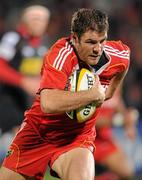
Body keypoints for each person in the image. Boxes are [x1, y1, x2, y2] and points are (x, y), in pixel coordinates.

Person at [0, 8, 130, 180]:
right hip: (37, 134)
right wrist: (92, 95)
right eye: (91, 42)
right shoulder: (59, 54)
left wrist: (107, 93)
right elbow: (48, 103)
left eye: (102, 41)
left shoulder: (118, 54)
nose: (98, 49)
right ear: (75, 39)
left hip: (75, 138)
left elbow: (123, 64)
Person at [0, 4, 51, 134]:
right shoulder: (13, 38)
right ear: (25, 20)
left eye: (41, 19)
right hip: (9, 98)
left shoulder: (45, 43)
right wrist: (23, 81)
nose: (38, 23)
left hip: (30, 102)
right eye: (34, 18)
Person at [94, 88, 138, 179]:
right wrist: (120, 121)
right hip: (86, 139)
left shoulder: (115, 84)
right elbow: (90, 121)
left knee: (126, 171)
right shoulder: (92, 85)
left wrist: (129, 124)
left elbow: (117, 101)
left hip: (104, 139)